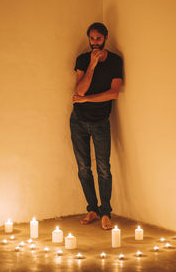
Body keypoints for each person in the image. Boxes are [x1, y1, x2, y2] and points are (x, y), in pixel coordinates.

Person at [70, 22, 123, 230]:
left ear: (105, 38)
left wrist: (86, 100)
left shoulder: (115, 61)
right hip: (78, 122)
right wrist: (92, 65)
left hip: (101, 122)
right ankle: (92, 208)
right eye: (92, 38)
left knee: (104, 168)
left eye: (98, 39)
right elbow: (80, 91)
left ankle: (106, 212)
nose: (94, 43)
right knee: (83, 168)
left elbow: (114, 93)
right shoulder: (83, 60)